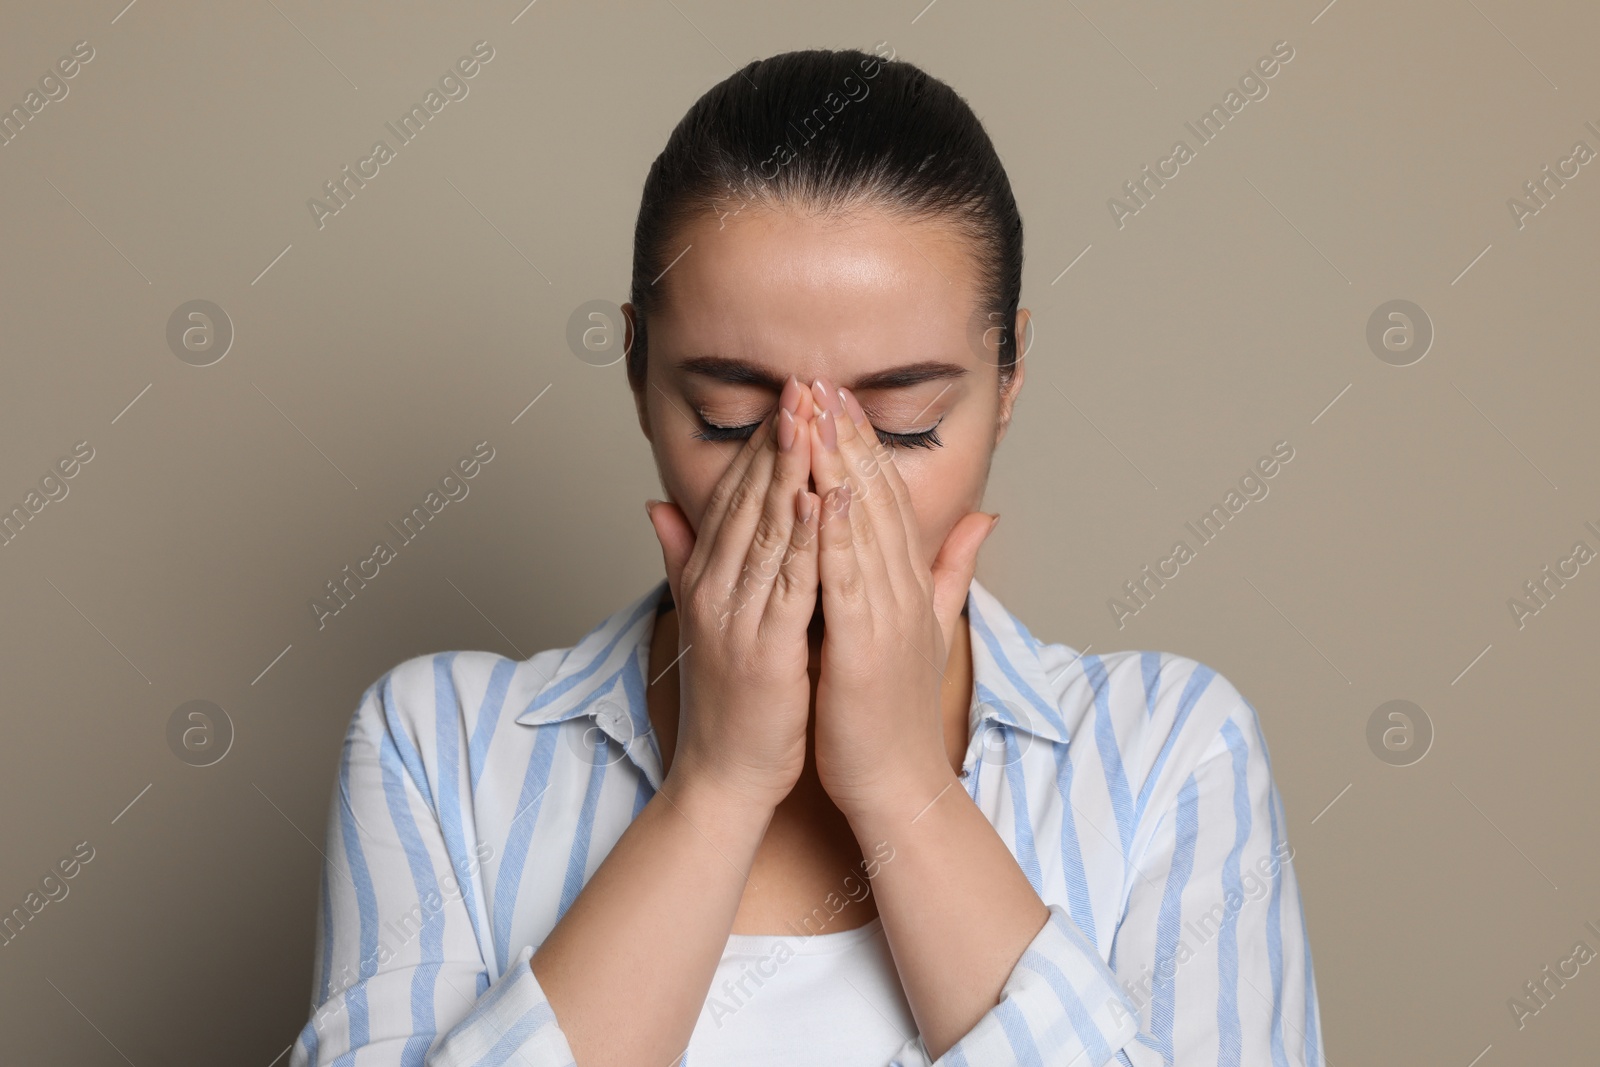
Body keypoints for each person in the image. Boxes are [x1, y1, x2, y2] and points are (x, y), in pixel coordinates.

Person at [289, 47, 1324, 1067]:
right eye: (732, 418)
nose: (820, 480)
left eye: (906, 422)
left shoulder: (1171, 754)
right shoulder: (438, 748)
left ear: (1006, 379)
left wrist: (902, 783)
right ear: (640, 373)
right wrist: (717, 785)